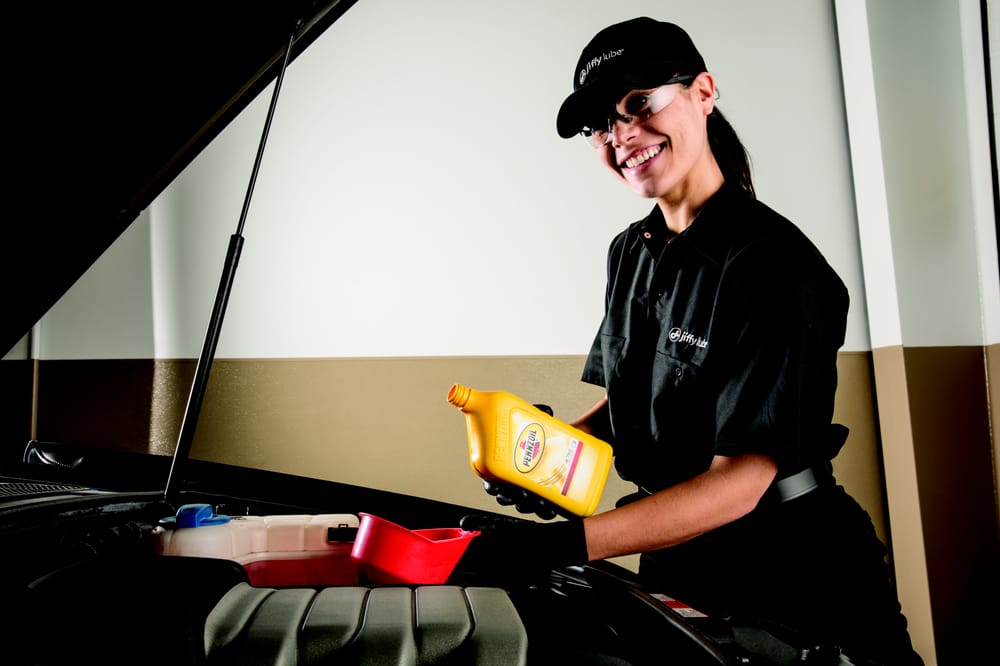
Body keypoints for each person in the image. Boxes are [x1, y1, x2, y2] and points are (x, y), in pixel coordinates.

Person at [459, 16, 923, 666]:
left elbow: (739, 484)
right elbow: (631, 405)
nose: (621, 134)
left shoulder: (773, 264)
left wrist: (562, 546)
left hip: (794, 572)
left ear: (703, 92)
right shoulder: (630, 252)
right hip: (677, 559)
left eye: (639, 104)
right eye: (600, 124)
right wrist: (544, 454)